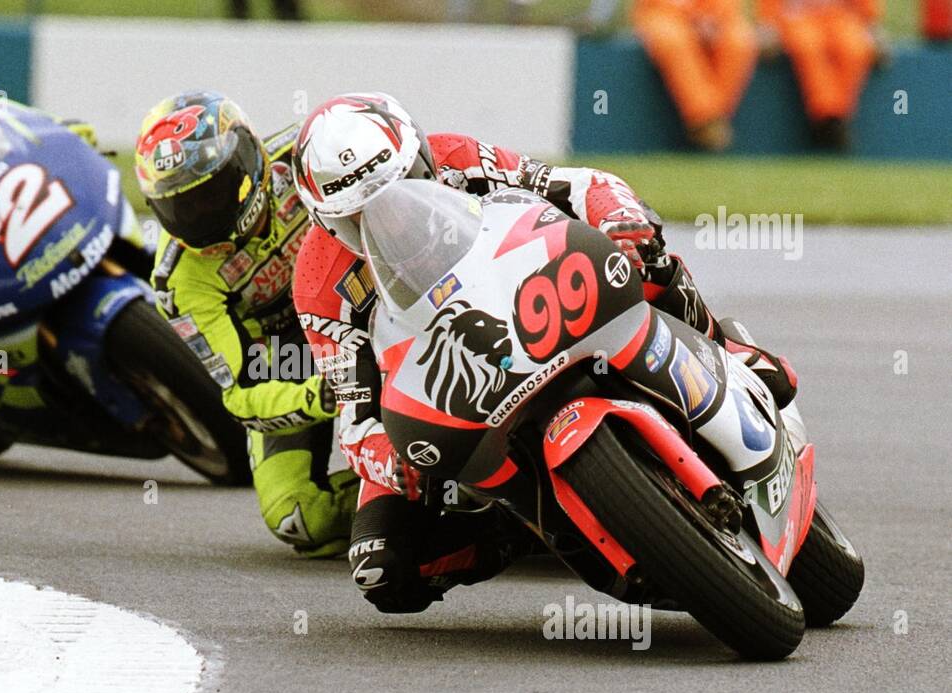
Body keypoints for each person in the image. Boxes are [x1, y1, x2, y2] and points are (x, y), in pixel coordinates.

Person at [290, 92, 798, 612]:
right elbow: (354, 416)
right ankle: (510, 525)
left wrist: (621, 221)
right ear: (328, 221)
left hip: (545, 297)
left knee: (645, 256)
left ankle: (721, 343)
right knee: (383, 571)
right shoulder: (318, 282)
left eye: (405, 188)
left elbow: (581, 185)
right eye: (360, 218)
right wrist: (388, 460)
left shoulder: (460, 157)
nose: (392, 222)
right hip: (456, 391)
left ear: (422, 157)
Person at [134, 92, 358, 557]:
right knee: (296, 517)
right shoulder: (178, 280)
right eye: (181, 209)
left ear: (247, 159)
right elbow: (240, 396)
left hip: (365, 305)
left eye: (211, 194)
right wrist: (324, 395)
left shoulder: (309, 153)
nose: (199, 218)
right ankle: (418, 504)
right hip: (285, 359)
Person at [756, 0, 884, 150]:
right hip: (797, 15)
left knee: (854, 48)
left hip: (841, 16)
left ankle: (834, 118)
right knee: (807, 46)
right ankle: (829, 119)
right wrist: (768, 23)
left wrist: (872, 24)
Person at [632, 0, 759, 152]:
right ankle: (706, 119)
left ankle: (710, 120)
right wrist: (690, 18)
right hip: (663, 15)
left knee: (740, 40)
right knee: (672, 40)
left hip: (712, 17)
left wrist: (711, 18)